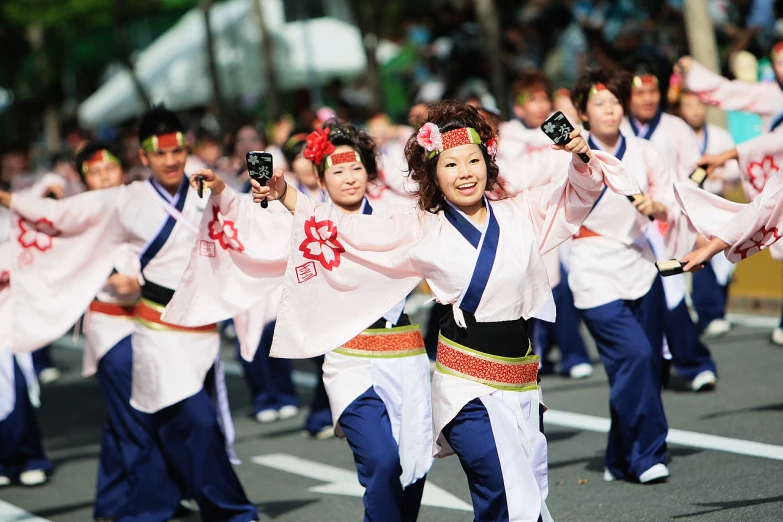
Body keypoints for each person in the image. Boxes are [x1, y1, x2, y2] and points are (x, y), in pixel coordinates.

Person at [246, 101, 638, 520]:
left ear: (488, 163)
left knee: (517, 500)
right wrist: (286, 194)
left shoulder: (522, 212)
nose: (465, 172)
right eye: (451, 165)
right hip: (464, 384)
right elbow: (352, 230)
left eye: (473, 160)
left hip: (521, 379)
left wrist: (580, 153)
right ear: (433, 174)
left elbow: (580, 192)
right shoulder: (419, 225)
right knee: (502, 488)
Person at [167, 120, 434, 521]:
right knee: (381, 460)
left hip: (407, 358)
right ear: (320, 178)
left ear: (370, 171)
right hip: (352, 363)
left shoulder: (393, 218)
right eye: (337, 170)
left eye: (356, 167)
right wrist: (224, 191)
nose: (349, 178)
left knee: (413, 467)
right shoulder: (302, 218)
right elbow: (251, 223)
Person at [0, 106, 258, 522]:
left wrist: (238, 193)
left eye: (176, 151)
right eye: (160, 154)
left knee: (180, 425)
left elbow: (246, 220)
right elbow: (61, 215)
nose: (170, 161)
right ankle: (220, 511)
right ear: (145, 157)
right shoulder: (123, 201)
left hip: (201, 328)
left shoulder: (204, 186)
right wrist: (9, 197)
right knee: (178, 423)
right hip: (151, 328)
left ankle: (153, 501)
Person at [568, 68, 683, 483]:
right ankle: (648, 454)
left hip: (640, 263)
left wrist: (657, 207)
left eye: (615, 101)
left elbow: (670, 199)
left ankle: (619, 457)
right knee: (633, 355)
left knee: (642, 365)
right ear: (582, 111)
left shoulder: (646, 149)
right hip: (593, 267)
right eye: (600, 103)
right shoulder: (573, 155)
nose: (611, 109)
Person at [623, 58, 719, 392]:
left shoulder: (676, 128)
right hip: (631, 227)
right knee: (641, 299)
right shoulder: (617, 129)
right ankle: (655, 368)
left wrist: (692, 220)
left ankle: (695, 363)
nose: (648, 98)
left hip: (670, 219)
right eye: (640, 92)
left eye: (653, 91)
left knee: (673, 295)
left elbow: (696, 175)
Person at [497, 72, 594, 380]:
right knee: (542, 289)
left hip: (566, 212)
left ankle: (572, 353)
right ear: (518, 107)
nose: (540, 105)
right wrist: (551, 162)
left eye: (543, 98)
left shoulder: (559, 129)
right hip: (531, 221)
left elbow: (582, 161)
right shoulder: (507, 138)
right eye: (532, 99)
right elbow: (515, 179)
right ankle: (539, 355)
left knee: (566, 288)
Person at [676, 91, 741, 335]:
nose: (694, 110)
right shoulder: (675, 135)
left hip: (717, 201)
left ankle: (717, 310)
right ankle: (706, 312)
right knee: (698, 253)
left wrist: (722, 173)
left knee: (723, 257)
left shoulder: (720, 135)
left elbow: (737, 168)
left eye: (698, 105)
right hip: (688, 207)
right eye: (688, 105)